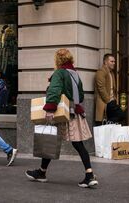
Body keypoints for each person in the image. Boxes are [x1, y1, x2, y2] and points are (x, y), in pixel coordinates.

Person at [25, 49, 98, 188]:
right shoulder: (75, 74)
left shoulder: (59, 73)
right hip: (75, 113)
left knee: (50, 139)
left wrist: (50, 108)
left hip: (62, 113)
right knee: (78, 144)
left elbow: (54, 90)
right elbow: (81, 95)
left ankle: (42, 173)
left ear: (57, 60)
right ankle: (89, 175)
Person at [94, 53, 125, 125]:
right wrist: (108, 101)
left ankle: (108, 123)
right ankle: (108, 123)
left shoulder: (111, 73)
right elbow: (101, 88)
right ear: (105, 62)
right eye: (112, 61)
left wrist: (114, 99)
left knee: (121, 116)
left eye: (114, 61)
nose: (114, 63)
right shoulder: (100, 72)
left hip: (112, 101)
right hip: (105, 102)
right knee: (121, 115)